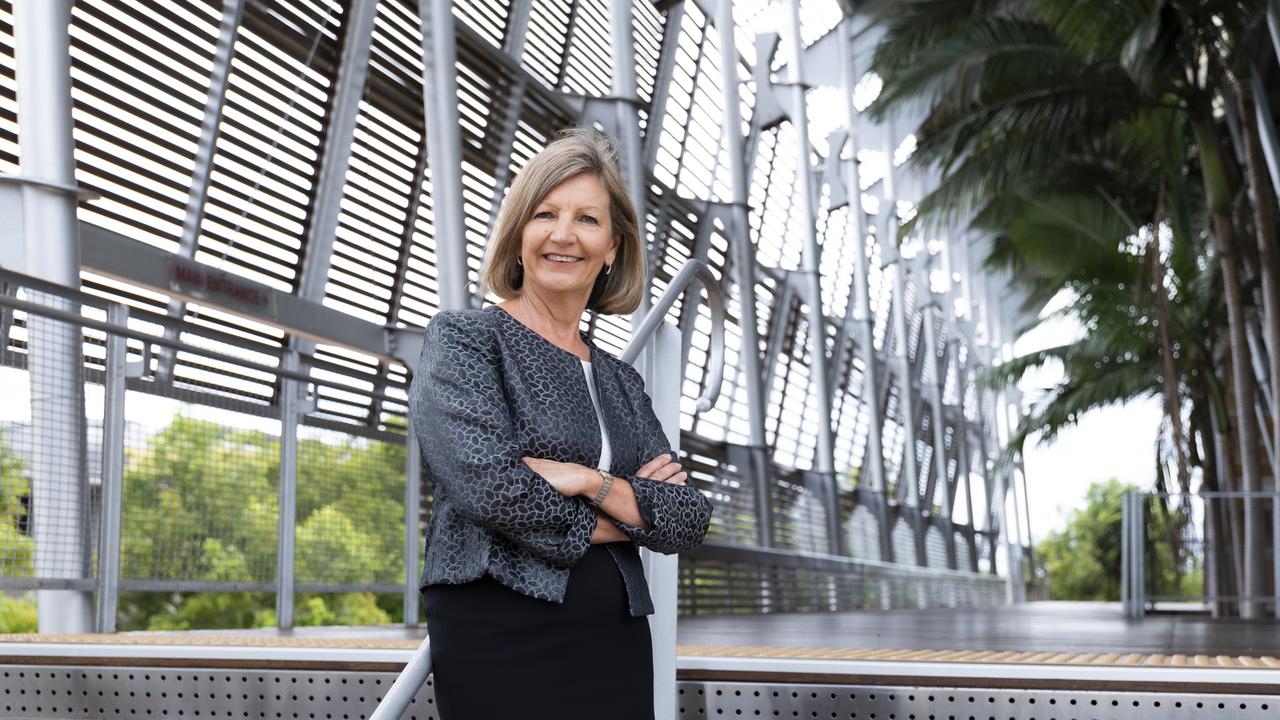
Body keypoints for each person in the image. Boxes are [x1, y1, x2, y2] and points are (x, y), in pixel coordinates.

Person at [407, 126, 714, 720]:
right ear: (519, 234)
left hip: (614, 632)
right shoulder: (468, 341)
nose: (564, 235)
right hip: (500, 625)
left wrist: (584, 480)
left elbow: (686, 518)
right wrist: (630, 512)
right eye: (545, 213)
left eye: (588, 219)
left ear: (614, 247)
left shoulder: (621, 382)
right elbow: (492, 489)